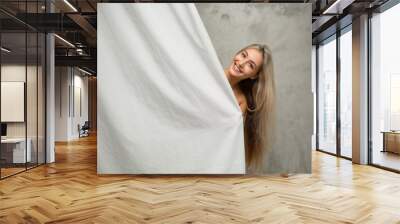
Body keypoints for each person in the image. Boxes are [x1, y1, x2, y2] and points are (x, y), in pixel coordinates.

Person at [223, 43, 275, 173]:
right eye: (243, 55)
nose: (241, 63)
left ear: (254, 75)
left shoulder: (241, 102)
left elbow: (225, 140)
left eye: (250, 65)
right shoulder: (209, 70)